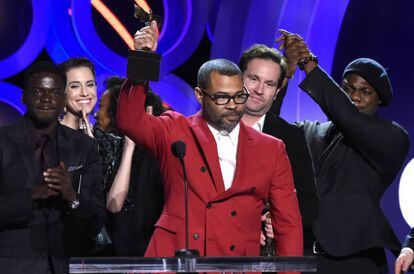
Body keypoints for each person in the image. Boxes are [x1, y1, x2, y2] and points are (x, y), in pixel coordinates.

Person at [117, 21, 303, 271]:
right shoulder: (175, 130)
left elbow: (288, 223)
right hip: (178, 261)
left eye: (239, 97)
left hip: (236, 265)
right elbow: (129, 120)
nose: (233, 105)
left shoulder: (271, 148)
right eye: (222, 98)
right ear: (199, 95)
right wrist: (143, 59)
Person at [277, 30, 410, 274]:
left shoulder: (392, 137)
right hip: (303, 257)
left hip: (355, 261)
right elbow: (268, 130)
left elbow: (348, 118)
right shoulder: (310, 131)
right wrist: (285, 72)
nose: (355, 97)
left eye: (365, 91)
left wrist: (309, 65)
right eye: (348, 89)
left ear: (379, 99)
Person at [0, 61, 105, 274]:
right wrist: (32, 196)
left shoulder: (85, 146)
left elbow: (95, 221)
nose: (47, 99)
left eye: (56, 92)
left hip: (69, 265)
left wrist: (71, 196)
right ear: (24, 96)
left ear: (63, 99)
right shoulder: (3, 142)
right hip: (13, 266)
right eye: (38, 92)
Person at [239, 44, 319, 257]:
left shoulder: (289, 136)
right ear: (239, 79)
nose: (259, 89)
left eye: (269, 84)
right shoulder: (214, 125)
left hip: (265, 255)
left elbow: (309, 201)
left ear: (277, 92)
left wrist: (278, 220)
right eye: (253, 79)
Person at [94, 76, 164, 256]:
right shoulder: (100, 150)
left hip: (145, 256)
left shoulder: (156, 158)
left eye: (101, 106)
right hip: (106, 256)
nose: (95, 114)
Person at [60, 57, 97, 137]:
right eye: (75, 86)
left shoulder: (112, 142)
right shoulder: (47, 138)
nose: (84, 93)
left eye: (90, 85)